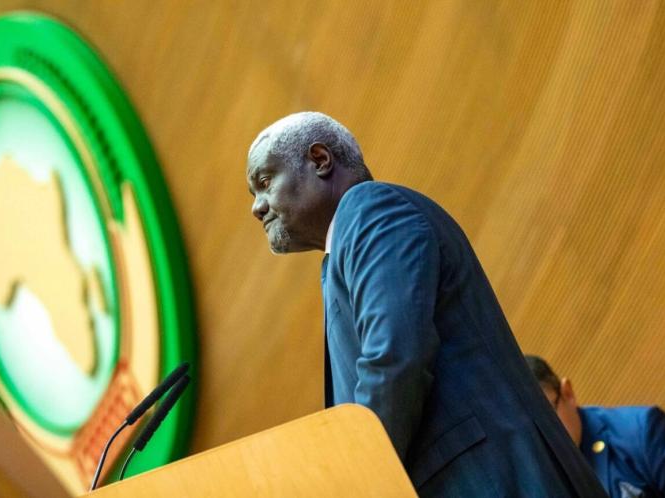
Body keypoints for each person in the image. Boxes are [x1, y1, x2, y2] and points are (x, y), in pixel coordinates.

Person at [246, 112, 606, 497]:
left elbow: (394, 358)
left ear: (320, 160)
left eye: (264, 183)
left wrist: (359, 476)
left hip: (494, 481)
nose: (257, 207)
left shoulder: (369, 210)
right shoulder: (342, 249)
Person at [525, 355, 665, 498]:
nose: (545, 436)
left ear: (568, 393)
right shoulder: (535, 484)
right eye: (532, 431)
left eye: (548, 416)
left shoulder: (642, 432)